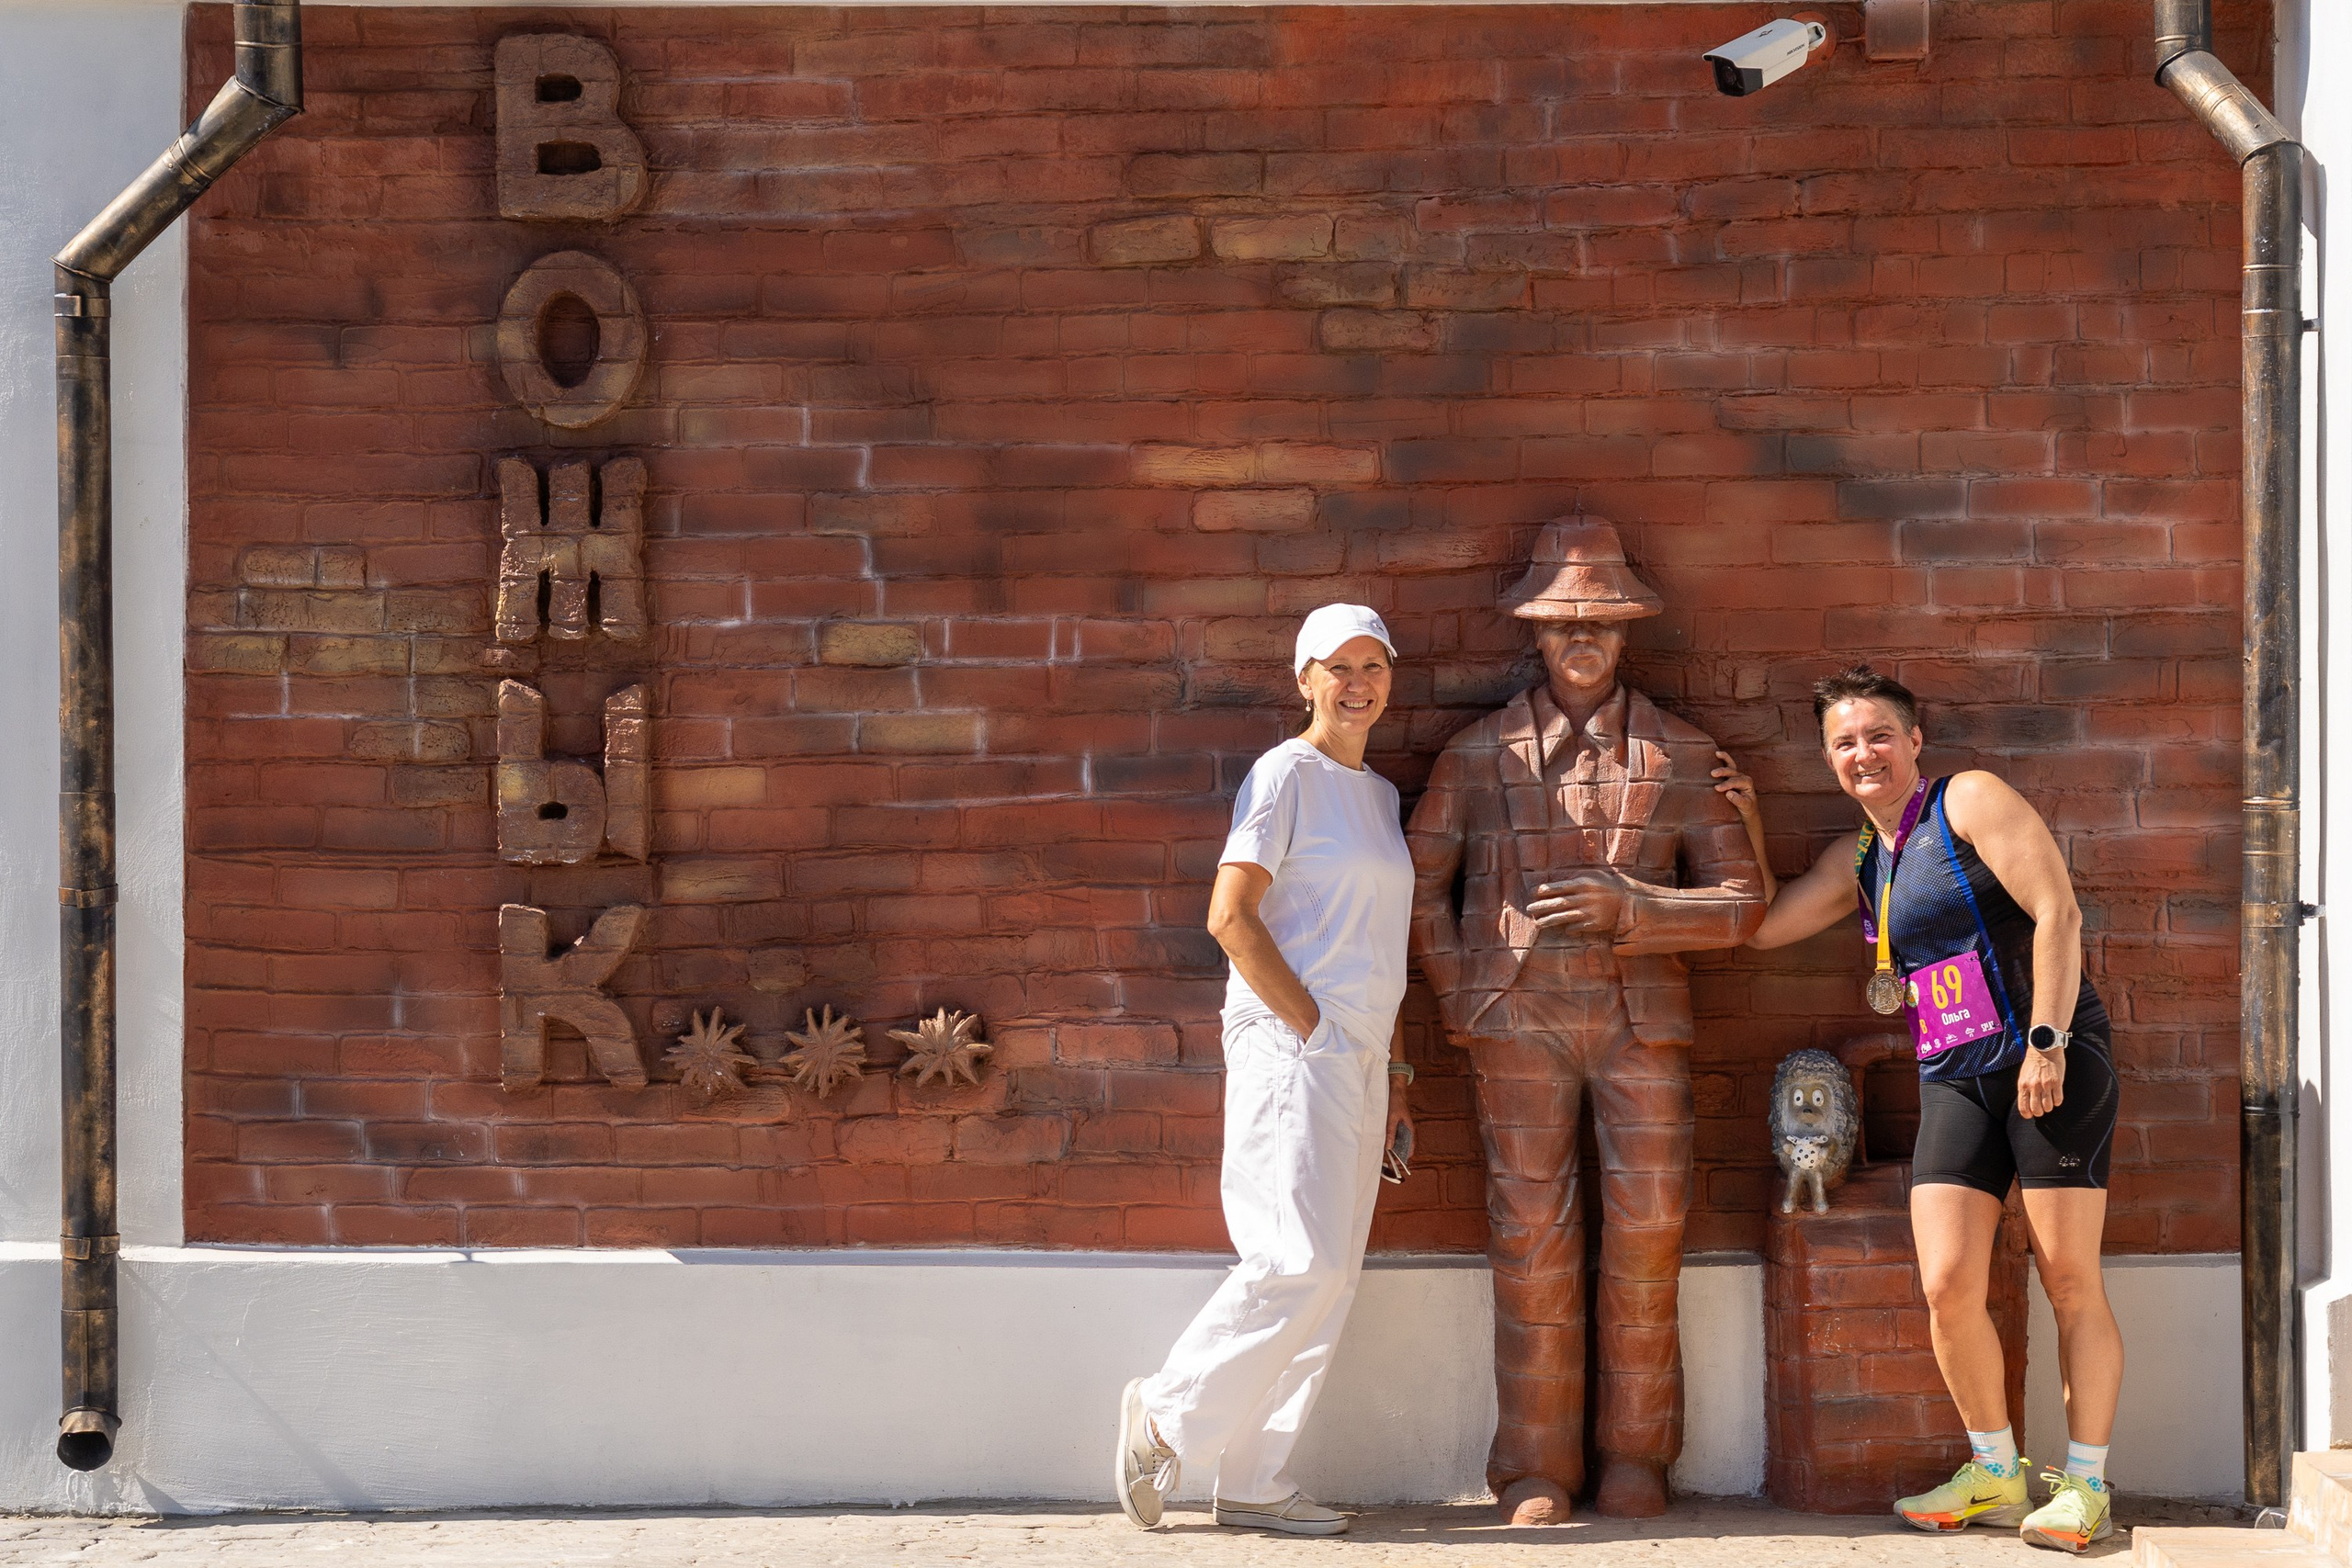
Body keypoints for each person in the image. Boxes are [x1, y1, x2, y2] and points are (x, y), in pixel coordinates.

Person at [1714, 665, 2123, 1555]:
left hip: (2045, 1059)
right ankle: (1995, 1471)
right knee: (1944, 1283)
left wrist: (2047, 1043)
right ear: (1829, 760)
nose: (1863, 753)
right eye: (1843, 743)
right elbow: (1764, 924)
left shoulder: (1967, 801)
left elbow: (2057, 910)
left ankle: (2086, 1483)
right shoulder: (1863, 857)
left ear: (1912, 741)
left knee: (2067, 1280)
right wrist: (1746, 823)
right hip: (1954, 1074)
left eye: (1877, 735)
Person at [1405, 518, 1767, 1524]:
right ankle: (1533, 1468)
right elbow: (1419, 887)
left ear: (1626, 634)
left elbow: (1741, 905)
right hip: (1515, 1019)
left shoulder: (1682, 754)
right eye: (1563, 620)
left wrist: (1641, 911)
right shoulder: (1477, 757)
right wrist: (1463, 998)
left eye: (1599, 622)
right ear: (1533, 631)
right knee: (1530, 1235)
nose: (1580, 637)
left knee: (1650, 1231)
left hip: (1639, 1019)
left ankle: (1636, 1457)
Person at [1114, 603, 1416, 1538]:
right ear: (1304, 679)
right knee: (1296, 1259)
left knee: (1333, 1276)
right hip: (1296, 1049)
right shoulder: (1283, 776)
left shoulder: (1378, 796)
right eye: (1338, 668)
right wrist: (1316, 1027)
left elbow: (1377, 941)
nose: (1357, 683)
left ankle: (1252, 1476)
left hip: (1361, 1053)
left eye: (1373, 666)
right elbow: (1230, 918)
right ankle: (1166, 1413)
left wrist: (1392, 1071)